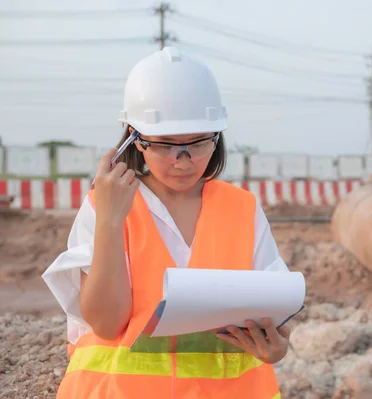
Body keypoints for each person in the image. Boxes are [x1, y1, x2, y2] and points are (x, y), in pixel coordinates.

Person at [42, 46, 291, 399]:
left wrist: (275, 348)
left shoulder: (242, 209)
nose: (183, 161)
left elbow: (274, 316)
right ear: (135, 138)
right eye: (165, 145)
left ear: (217, 135)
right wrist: (111, 222)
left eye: (199, 143)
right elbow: (106, 323)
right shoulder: (105, 206)